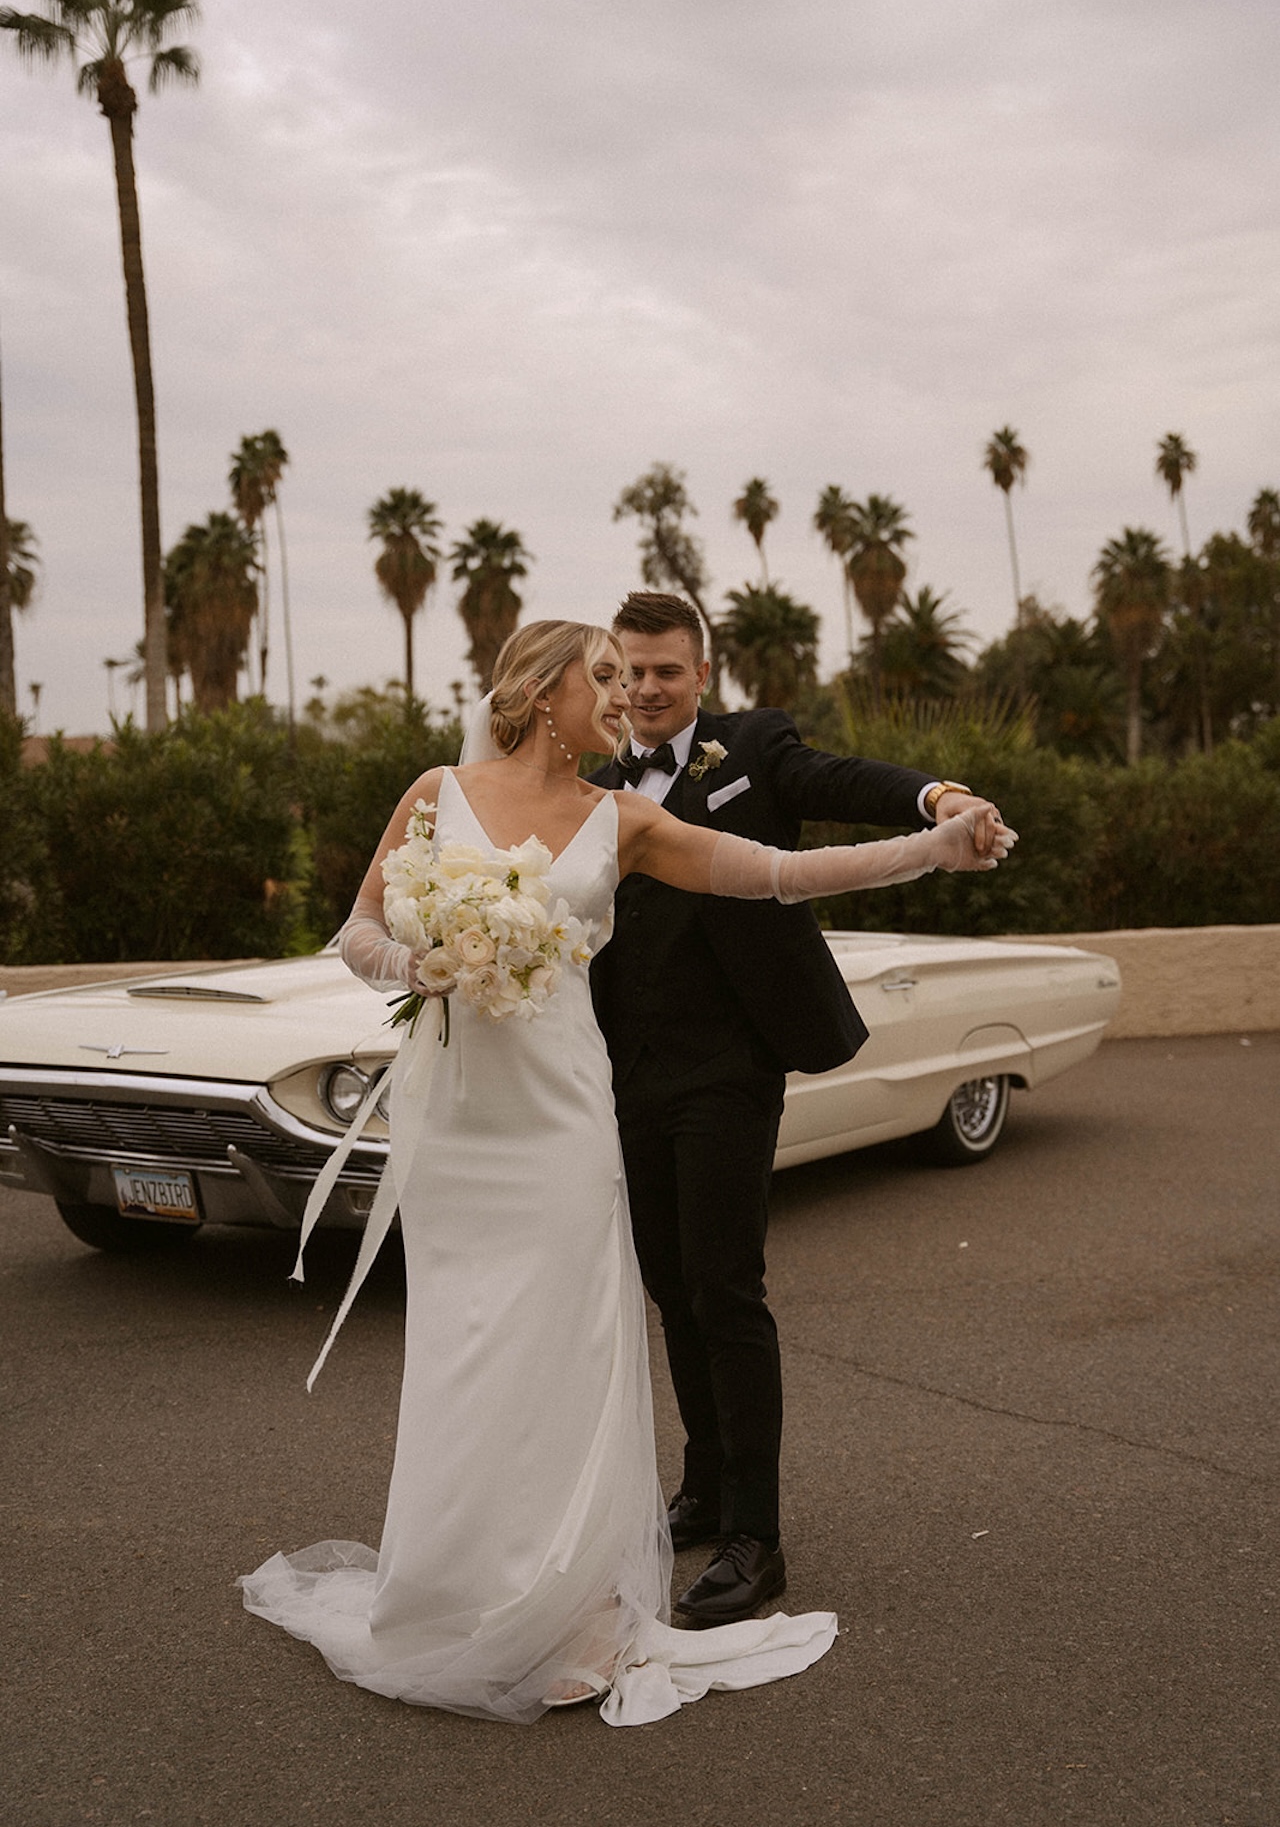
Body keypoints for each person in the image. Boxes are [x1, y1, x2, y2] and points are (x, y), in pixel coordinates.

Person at [239, 620, 1013, 1726]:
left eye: (634, 675)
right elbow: (357, 932)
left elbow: (779, 875)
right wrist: (422, 961)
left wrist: (927, 848)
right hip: (463, 1125)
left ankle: (575, 1603)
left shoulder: (628, 819)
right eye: (599, 676)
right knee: (465, 1342)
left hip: (561, 1117)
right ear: (541, 691)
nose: (622, 694)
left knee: (570, 1341)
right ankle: (454, 1583)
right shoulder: (433, 791)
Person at [590, 592, 1007, 1628]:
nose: (645, 689)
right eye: (629, 671)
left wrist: (936, 799)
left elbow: (844, 783)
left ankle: (755, 1540)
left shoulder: (751, 746)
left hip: (729, 1066)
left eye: (665, 672)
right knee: (671, 1290)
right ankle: (703, 1484)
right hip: (626, 1073)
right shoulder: (593, 781)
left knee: (725, 1287)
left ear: (699, 674)